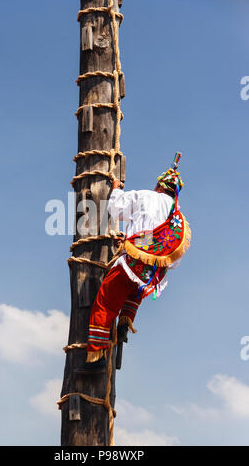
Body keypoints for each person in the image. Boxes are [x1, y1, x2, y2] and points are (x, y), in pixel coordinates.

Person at [79, 154, 191, 373]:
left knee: (105, 301)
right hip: (151, 275)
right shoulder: (176, 215)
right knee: (133, 292)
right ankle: (125, 323)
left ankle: (95, 357)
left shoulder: (146, 196)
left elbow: (116, 209)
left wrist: (116, 187)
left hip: (130, 265)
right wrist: (130, 240)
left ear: (160, 185)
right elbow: (159, 242)